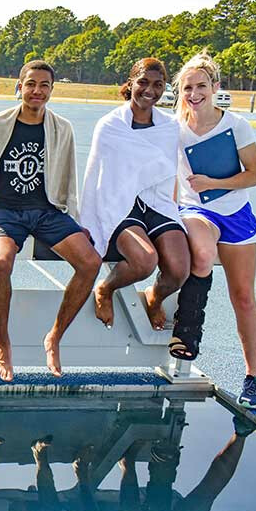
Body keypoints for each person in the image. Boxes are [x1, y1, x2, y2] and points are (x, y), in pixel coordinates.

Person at [0, 60, 102, 381]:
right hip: (6, 213)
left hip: (46, 212)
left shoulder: (62, 129)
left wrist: (74, 219)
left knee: (90, 262)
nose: (37, 91)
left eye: (44, 85)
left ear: (52, 90)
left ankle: (55, 336)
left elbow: (67, 181)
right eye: (31, 84)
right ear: (20, 86)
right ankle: (3, 342)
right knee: (1, 265)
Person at [172, 51, 256, 409]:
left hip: (237, 214)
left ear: (214, 87)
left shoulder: (236, 125)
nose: (193, 94)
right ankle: (187, 334)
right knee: (204, 254)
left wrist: (215, 180)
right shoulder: (174, 129)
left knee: (243, 298)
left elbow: (255, 174)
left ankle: (253, 376)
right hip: (196, 211)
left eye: (200, 86)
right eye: (187, 88)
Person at [82, 58, 189, 331]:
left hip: (157, 204)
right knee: (144, 260)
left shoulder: (169, 127)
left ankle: (155, 296)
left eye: (158, 84)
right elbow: (98, 177)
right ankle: (105, 288)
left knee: (179, 271)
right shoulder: (110, 125)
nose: (150, 90)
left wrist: (175, 210)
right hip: (119, 205)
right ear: (130, 84)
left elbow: (170, 172)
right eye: (143, 82)